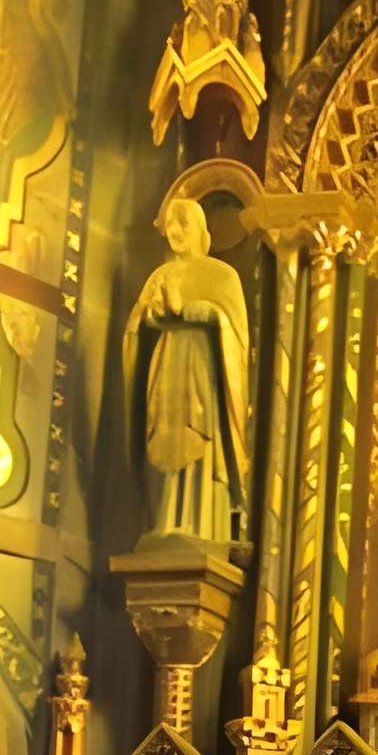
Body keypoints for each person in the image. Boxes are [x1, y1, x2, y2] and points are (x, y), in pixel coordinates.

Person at [122, 196, 252, 548]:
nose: (177, 232)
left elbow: (238, 337)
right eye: (171, 226)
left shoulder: (223, 275)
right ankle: (165, 520)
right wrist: (154, 316)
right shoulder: (160, 276)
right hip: (167, 370)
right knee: (167, 439)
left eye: (184, 224)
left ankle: (204, 525)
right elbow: (137, 324)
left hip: (203, 372)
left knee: (203, 444)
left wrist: (209, 314)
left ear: (200, 229)